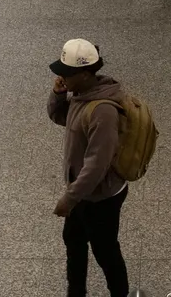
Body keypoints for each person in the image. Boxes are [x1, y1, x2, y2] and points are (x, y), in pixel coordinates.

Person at [47, 38, 131, 297]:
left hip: (100, 196)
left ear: (85, 74)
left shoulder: (102, 111)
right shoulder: (80, 95)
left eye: (66, 74)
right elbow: (60, 117)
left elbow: (97, 164)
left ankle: (120, 293)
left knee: (105, 250)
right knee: (73, 242)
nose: (62, 78)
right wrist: (58, 95)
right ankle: (76, 291)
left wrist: (69, 199)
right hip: (82, 191)